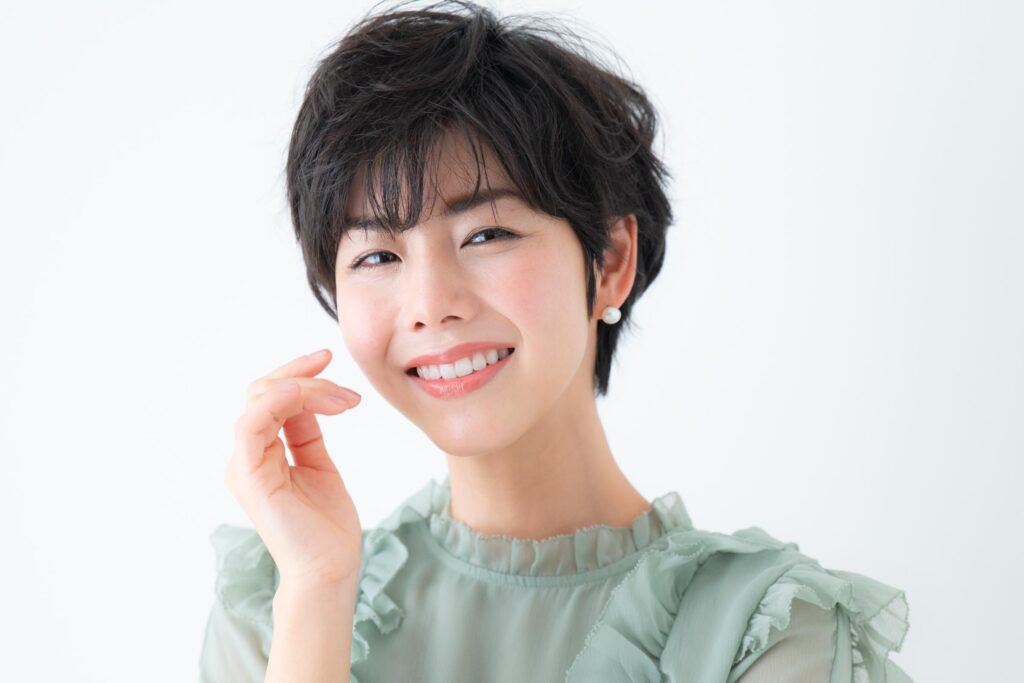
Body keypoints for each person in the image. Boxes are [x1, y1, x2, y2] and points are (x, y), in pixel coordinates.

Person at [197, 1, 913, 681]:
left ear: (609, 263)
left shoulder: (770, 629)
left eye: (487, 234)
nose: (430, 306)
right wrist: (318, 591)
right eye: (377, 256)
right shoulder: (284, 603)